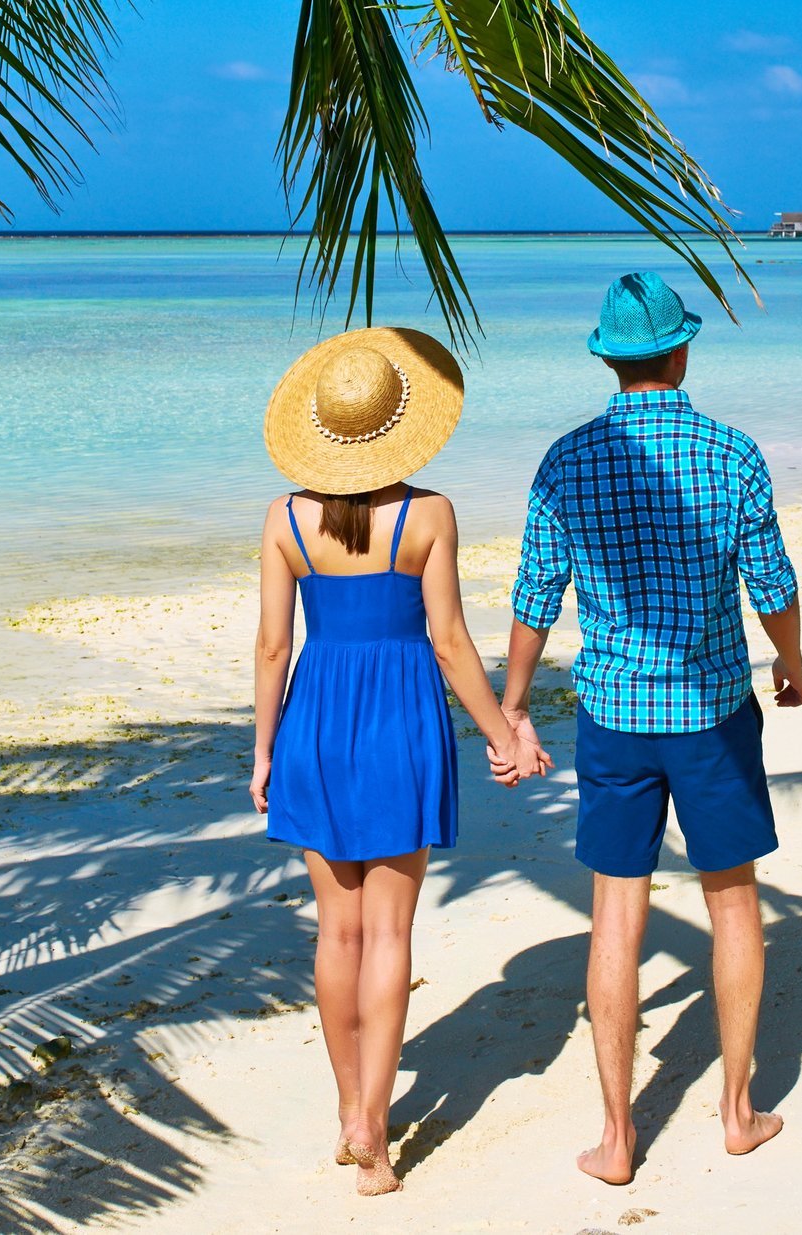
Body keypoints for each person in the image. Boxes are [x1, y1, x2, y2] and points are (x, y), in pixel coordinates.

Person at [495, 272, 802, 1186]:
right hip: (711, 711)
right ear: (680, 351)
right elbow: (773, 583)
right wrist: (790, 663)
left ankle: (618, 1136)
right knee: (734, 900)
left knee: (615, 914)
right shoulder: (730, 452)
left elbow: (533, 597)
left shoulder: (567, 460)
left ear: (609, 358)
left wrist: (514, 704)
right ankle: (738, 1111)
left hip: (613, 716)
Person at [251, 327, 550, 1197]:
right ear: (398, 426)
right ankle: (374, 1134)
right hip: (399, 723)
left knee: (334, 931)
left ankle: (350, 1106)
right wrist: (502, 733)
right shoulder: (428, 514)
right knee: (388, 933)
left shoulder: (283, 519)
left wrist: (265, 747)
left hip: (314, 721)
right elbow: (451, 642)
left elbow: (274, 647)